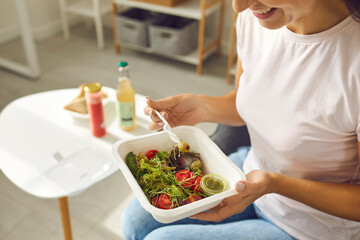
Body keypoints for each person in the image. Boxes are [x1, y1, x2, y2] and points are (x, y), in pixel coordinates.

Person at [121, 0, 360, 239]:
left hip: (311, 225)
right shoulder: (254, 18)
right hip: (251, 173)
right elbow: (246, 101)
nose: (239, 6)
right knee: (135, 222)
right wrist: (203, 107)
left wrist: (275, 184)